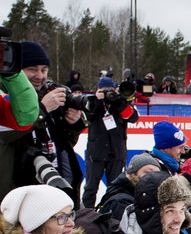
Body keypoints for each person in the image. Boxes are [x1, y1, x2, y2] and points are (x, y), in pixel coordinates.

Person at [8, 42, 86, 204]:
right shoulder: (8, 98)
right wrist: (43, 109)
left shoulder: (50, 94)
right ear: (17, 71)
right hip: (21, 188)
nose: (40, 76)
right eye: (32, 69)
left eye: (44, 70)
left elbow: (65, 144)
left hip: (57, 182)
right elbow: (10, 138)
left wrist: (72, 125)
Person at [80, 77, 139, 208]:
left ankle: (112, 215)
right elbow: (87, 115)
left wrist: (117, 101)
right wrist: (97, 100)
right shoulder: (92, 101)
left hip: (116, 153)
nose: (108, 93)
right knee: (91, 188)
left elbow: (133, 117)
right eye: (104, 90)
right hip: (96, 153)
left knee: (116, 188)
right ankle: (86, 216)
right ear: (98, 90)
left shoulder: (120, 102)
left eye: (110, 90)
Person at [97, 153, 162, 220]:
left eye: (158, 174)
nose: (154, 176)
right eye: (148, 173)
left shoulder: (150, 199)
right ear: (133, 174)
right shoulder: (120, 202)